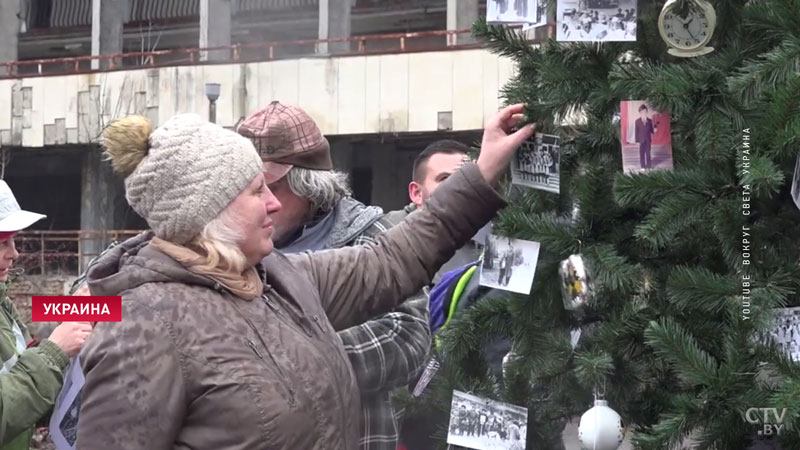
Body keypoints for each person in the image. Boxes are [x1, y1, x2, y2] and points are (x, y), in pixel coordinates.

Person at [76, 105, 533, 449]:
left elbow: (394, 259)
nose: (272, 204)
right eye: (257, 192)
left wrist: (483, 169)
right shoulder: (142, 329)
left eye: (271, 187)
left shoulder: (277, 278)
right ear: (210, 212)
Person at [235, 102, 430, 450]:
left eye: (269, 187)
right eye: (246, 188)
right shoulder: (229, 242)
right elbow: (112, 301)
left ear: (309, 185)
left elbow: (408, 337)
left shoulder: (370, 237)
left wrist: (291, 363)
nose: (262, 202)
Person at [0, 181, 92, 450]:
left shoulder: (4, 306)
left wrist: (83, 314)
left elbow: (21, 370)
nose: (14, 253)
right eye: (3, 242)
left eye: (14, 241)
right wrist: (54, 351)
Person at [634, 104, 658, 169]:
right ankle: (643, 166)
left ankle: (649, 166)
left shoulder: (649, 121)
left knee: (648, 153)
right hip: (641, 140)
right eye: (642, 112)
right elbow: (636, 131)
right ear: (640, 113)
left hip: (648, 140)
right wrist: (637, 140)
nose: (643, 113)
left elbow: (651, 130)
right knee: (641, 153)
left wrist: (654, 130)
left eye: (645, 111)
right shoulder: (637, 121)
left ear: (647, 112)